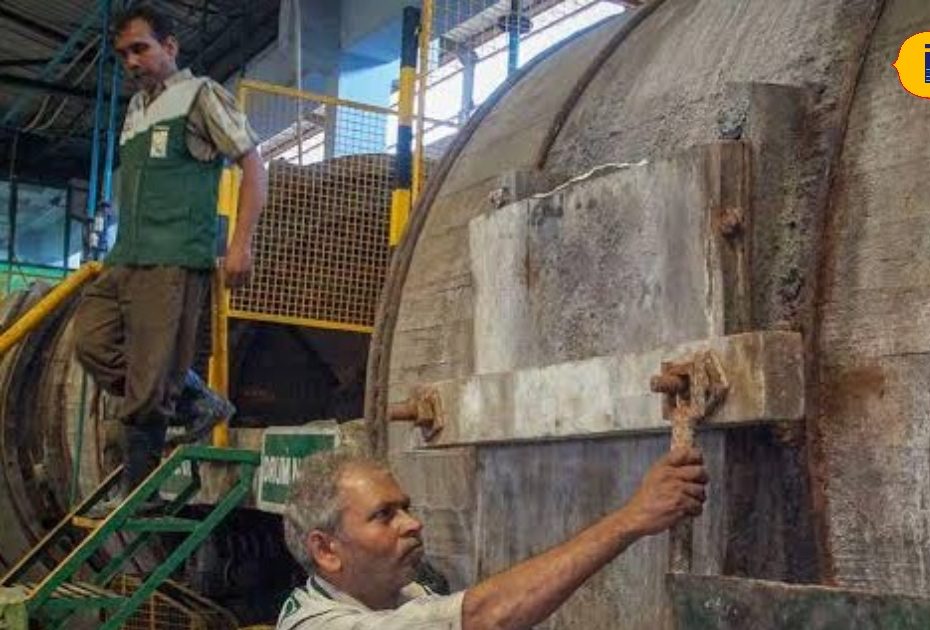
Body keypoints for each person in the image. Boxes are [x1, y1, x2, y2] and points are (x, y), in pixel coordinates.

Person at [73, 4, 267, 514]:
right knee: (90, 341)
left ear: (170, 46)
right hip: (127, 256)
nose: (132, 62)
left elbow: (253, 164)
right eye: (123, 54)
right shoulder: (136, 109)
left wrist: (240, 244)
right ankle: (190, 397)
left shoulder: (200, 96)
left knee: (148, 378)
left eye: (141, 49)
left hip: (174, 257)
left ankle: (139, 492)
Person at [277, 448, 709, 629]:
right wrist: (631, 519)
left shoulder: (402, 592)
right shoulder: (319, 625)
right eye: (384, 515)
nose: (412, 524)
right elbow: (486, 616)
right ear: (326, 550)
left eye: (405, 508)